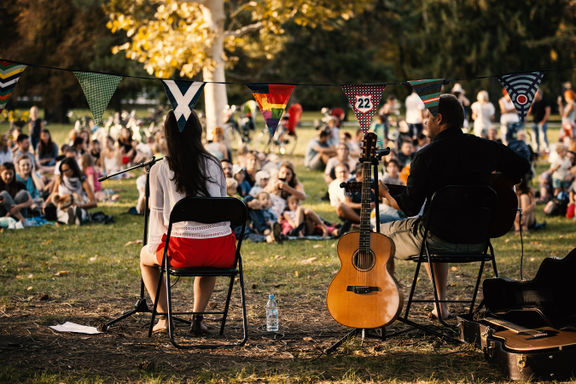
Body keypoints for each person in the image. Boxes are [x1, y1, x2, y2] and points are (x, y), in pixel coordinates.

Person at [380, 94, 530, 320]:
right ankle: (440, 307)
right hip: (479, 239)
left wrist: (383, 193)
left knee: (379, 236)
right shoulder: (485, 147)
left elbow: (409, 207)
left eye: (427, 118)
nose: (424, 122)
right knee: (435, 226)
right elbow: (522, 165)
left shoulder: (426, 156)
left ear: (439, 119)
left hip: (438, 238)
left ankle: (384, 306)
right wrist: (500, 182)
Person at [139, 110, 236, 334]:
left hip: (182, 251)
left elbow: (157, 215)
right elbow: (222, 205)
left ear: (168, 135)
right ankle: (197, 319)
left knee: (145, 258)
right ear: (197, 132)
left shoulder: (160, 168)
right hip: (221, 251)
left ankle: (164, 318)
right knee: (207, 261)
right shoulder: (214, 164)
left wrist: (157, 247)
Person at [45, 157, 97, 225]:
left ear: (73, 169)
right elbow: (54, 194)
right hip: (63, 206)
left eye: (66, 170)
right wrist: (45, 204)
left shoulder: (83, 181)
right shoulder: (60, 179)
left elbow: (94, 203)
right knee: (64, 213)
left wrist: (80, 206)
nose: (64, 173)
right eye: (62, 171)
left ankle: (75, 217)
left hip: (79, 205)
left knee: (77, 211)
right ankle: (72, 219)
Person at [529, 89, 551, 154]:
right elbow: (530, 113)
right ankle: (536, 151)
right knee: (534, 137)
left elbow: (548, 112)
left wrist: (543, 122)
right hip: (534, 122)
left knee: (543, 137)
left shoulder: (545, 102)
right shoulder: (534, 103)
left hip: (542, 123)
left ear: (540, 94)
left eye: (536, 94)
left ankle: (546, 150)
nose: (535, 95)